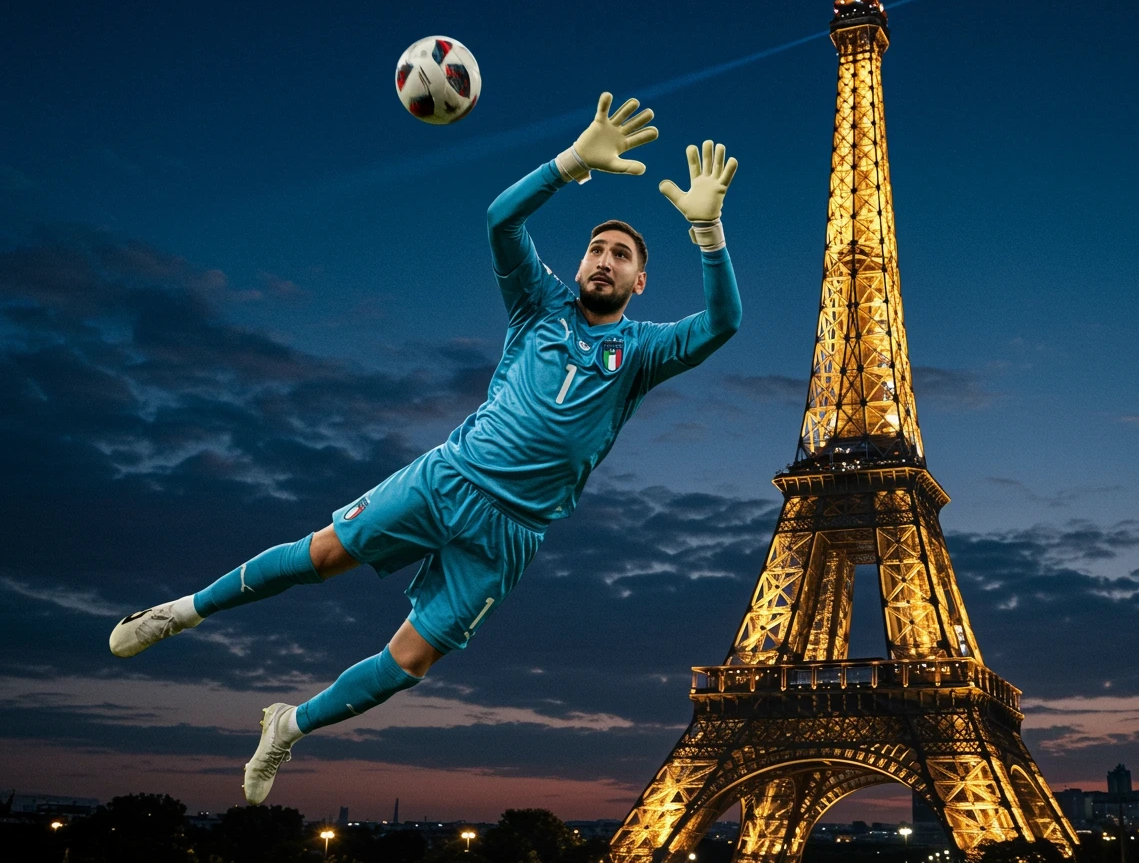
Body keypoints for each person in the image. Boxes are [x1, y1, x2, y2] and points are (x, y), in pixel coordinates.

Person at [108, 91, 741, 805]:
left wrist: (709, 231)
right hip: (449, 477)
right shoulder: (541, 306)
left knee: (409, 663)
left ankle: (289, 725)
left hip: (512, 533)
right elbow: (501, 219)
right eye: (596, 249)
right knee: (321, 556)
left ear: (639, 281)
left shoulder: (645, 351)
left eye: (620, 256)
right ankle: (178, 612)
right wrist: (567, 164)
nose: (603, 260)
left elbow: (723, 322)